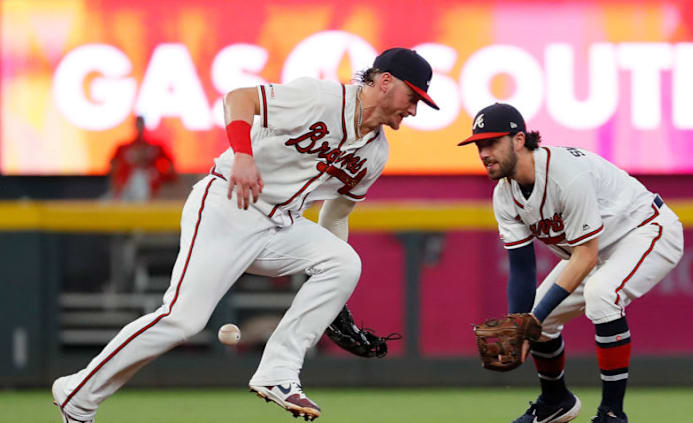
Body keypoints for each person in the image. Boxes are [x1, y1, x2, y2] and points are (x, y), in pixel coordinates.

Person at [51, 47, 439, 422]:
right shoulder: (322, 97)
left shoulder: (375, 152)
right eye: (413, 96)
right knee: (182, 319)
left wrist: (333, 296)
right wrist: (243, 155)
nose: (413, 109)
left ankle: (278, 372)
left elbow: (336, 215)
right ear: (386, 81)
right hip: (230, 204)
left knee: (343, 261)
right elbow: (239, 99)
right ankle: (78, 395)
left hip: (280, 224)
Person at [458, 103, 684, 423]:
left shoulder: (565, 174)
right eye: (479, 145)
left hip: (647, 230)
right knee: (540, 317)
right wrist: (522, 323)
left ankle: (612, 413)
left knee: (601, 295)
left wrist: (531, 320)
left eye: (492, 142)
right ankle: (555, 401)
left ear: (519, 140)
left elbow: (586, 255)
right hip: (596, 248)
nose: (483, 152)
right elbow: (522, 267)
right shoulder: (504, 195)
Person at [108, 115, 176, 201]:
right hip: (127, 184)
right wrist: (115, 181)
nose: (139, 127)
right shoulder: (124, 148)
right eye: (138, 124)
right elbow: (113, 164)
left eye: (141, 124)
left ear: (144, 126)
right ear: (135, 126)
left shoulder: (153, 147)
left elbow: (170, 162)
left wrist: (165, 178)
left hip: (148, 183)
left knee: (142, 179)